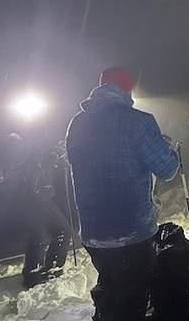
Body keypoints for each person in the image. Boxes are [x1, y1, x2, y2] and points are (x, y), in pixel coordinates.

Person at [66, 66, 179, 321]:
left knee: (110, 289)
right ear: (127, 90)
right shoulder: (139, 122)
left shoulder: (77, 123)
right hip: (131, 233)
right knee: (132, 301)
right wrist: (169, 148)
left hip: (94, 233)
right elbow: (167, 168)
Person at [0, 132, 71, 289]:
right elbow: (17, 171)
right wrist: (47, 156)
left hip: (40, 198)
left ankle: (48, 270)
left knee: (58, 231)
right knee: (45, 235)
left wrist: (55, 158)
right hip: (29, 200)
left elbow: (40, 164)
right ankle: (35, 275)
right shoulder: (12, 150)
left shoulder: (29, 150)